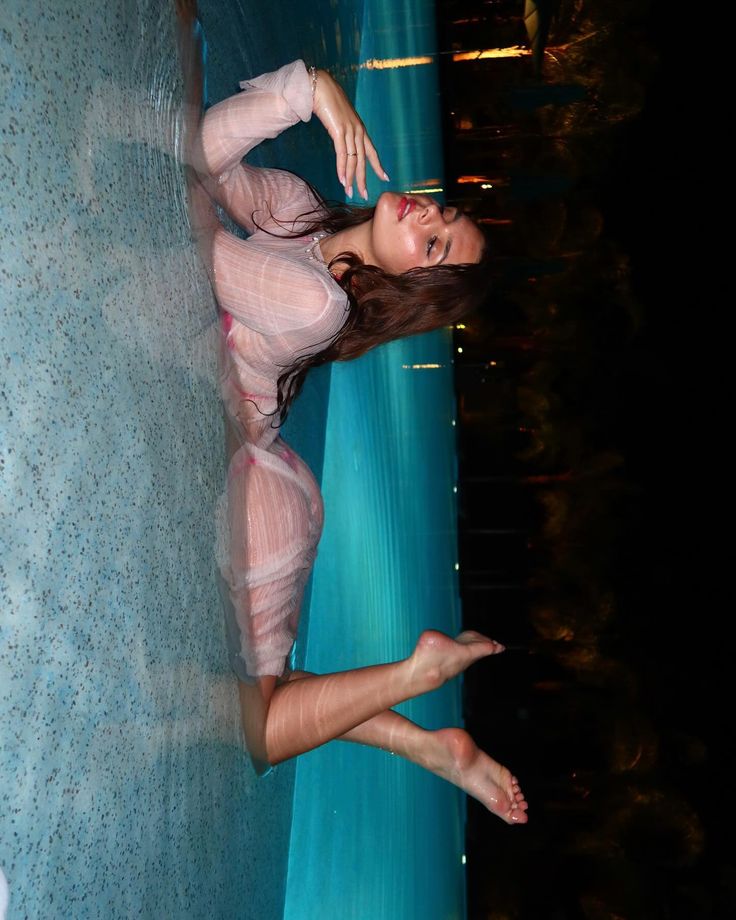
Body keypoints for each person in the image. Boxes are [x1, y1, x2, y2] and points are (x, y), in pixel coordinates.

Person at [192, 58, 528, 825]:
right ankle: (431, 745)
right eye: (444, 218)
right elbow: (204, 159)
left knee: (264, 728)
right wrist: (309, 91)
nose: (427, 217)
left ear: (416, 288)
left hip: (265, 492)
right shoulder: (303, 216)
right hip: (270, 466)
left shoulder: (318, 305)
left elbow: (196, 241)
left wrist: (298, 92)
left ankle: (418, 680)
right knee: (270, 710)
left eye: (436, 246)